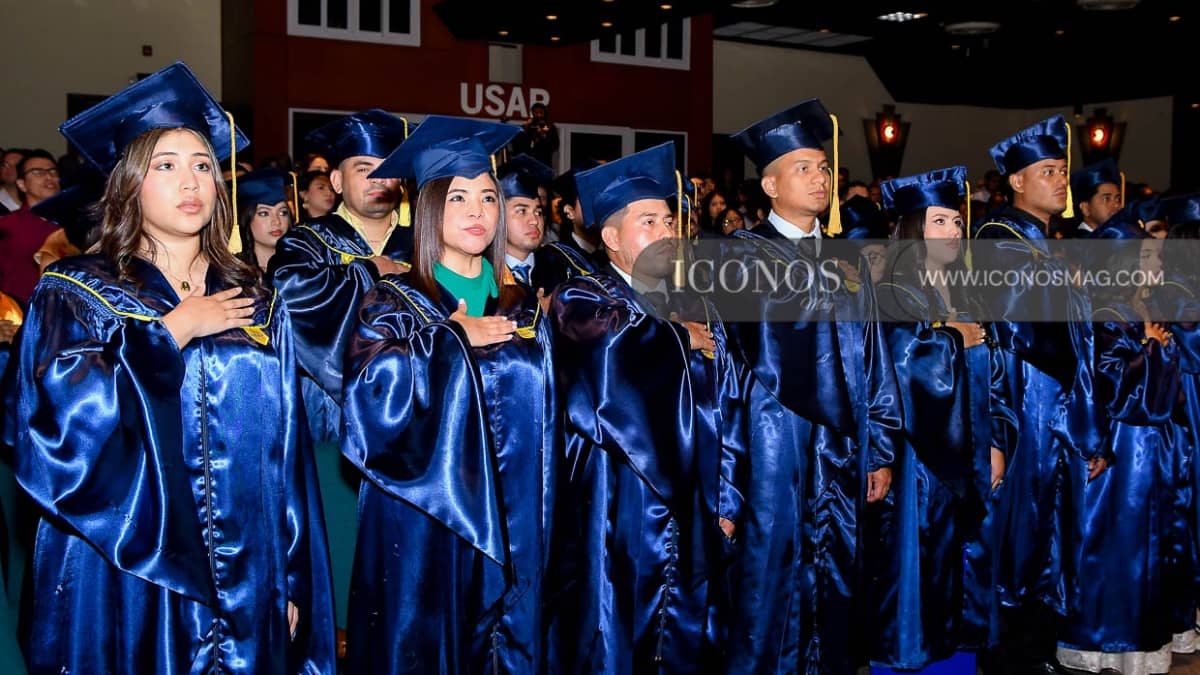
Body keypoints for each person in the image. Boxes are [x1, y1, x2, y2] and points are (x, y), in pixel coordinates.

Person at [12, 61, 334, 673]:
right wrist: (172, 331)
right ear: (128, 183)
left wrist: (293, 576)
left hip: (248, 571)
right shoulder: (76, 291)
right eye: (165, 165)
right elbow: (59, 433)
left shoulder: (255, 298)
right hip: (129, 568)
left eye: (203, 165)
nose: (191, 181)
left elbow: (288, 453)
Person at [340, 115, 559, 672]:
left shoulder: (525, 307)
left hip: (517, 519)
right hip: (428, 522)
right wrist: (449, 338)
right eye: (458, 197)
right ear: (430, 208)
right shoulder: (393, 303)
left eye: (489, 197)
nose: (478, 211)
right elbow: (369, 405)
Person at [546, 142, 744, 673]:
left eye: (670, 220)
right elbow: (616, 358)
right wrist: (679, 338)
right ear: (610, 238)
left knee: (686, 633)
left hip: (695, 502)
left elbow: (729, 405)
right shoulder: (580, 299)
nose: (667, 233)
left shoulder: (696, 301)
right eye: (648, 221)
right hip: (615, 505)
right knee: (614, 633)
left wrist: (727, 497)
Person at [723, 98, 902, 674]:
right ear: (770, 185)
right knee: (771, 570)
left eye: (824, 166)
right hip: (775, 440)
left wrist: (879, 446)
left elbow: (874, 357)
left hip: (845, 444)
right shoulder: (743, 256)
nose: (820, 176)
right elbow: (773, 352)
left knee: (840, 568)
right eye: (804, 167)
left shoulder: (848, 260)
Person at [268, 108, 412, 653]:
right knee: (343, 572)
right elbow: (294, 301)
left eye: (388, 169)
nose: (378, 179)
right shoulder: (307, 244)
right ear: (335, 180)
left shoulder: (423, 239)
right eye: (363, 167)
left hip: (413, 429)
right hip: (332, 428)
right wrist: (370, 271)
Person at [869, 167, 1015, 673]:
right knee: (916, 572)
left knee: (963, 571)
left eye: (957, 220)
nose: (954, 231)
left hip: (971, 456)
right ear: (914, 229)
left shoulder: (965, 289)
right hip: (919, 462)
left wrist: (997, 441)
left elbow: (996, 375)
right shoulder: (892, 290)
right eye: (940, 221)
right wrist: (954, 340)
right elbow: (900, 370)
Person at [972, 115, 1101, 675]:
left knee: (1050, 527)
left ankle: (1038, 648)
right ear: (1017, 181)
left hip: (1052, 402)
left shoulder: (1041, 245)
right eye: (1047, 171)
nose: (1061, 181)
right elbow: (1030, 330)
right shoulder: (999, 240)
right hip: (1021, 402)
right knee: (1018, 530)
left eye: (1064, 171)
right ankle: (1009, 655)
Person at [1054, 217, 1191, 675]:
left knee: (1149, 544)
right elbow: (1111, 387)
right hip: (1121, 448)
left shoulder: (1143, 305)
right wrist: (1153, 349)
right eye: (1144, 257)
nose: (1154, 264)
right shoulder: (1107, 312)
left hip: (1152, 448)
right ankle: (1104, 642)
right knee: (1116, 542)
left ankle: (1140, 641)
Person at [0, 149, 62, 303]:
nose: (49, 177)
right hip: (21, 312)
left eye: (53, 171)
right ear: (22, 184)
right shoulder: (7, 226)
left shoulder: (77, 224)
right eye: (38, 172)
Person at [496, 154, 553, 289]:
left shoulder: (560, 271)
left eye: (538, 212)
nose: (534, 221)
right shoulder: (485, 276)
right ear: (499, 216)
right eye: (522, 211)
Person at [235, 168, 292, 273]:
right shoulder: (234, 275)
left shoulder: (303, 270)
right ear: (246, 219)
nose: (276, 221)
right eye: (264, 213)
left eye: (283, 212)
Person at [1069, 158, 1123, 237]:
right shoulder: (1079, 245)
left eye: (1118, 199)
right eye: (1106, 199)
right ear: (1086, 208)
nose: (1117, 205)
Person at [512, 102, 559, 166]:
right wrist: (525, 129)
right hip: (528, 162)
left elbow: (555, 146)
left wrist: (543, 136)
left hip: (543, 162)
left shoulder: (550, 126)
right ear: (532, 113)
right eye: (536, 113)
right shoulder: (528, 125)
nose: (538, 115)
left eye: (541, 113)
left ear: (545, 113)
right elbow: (517, 144)